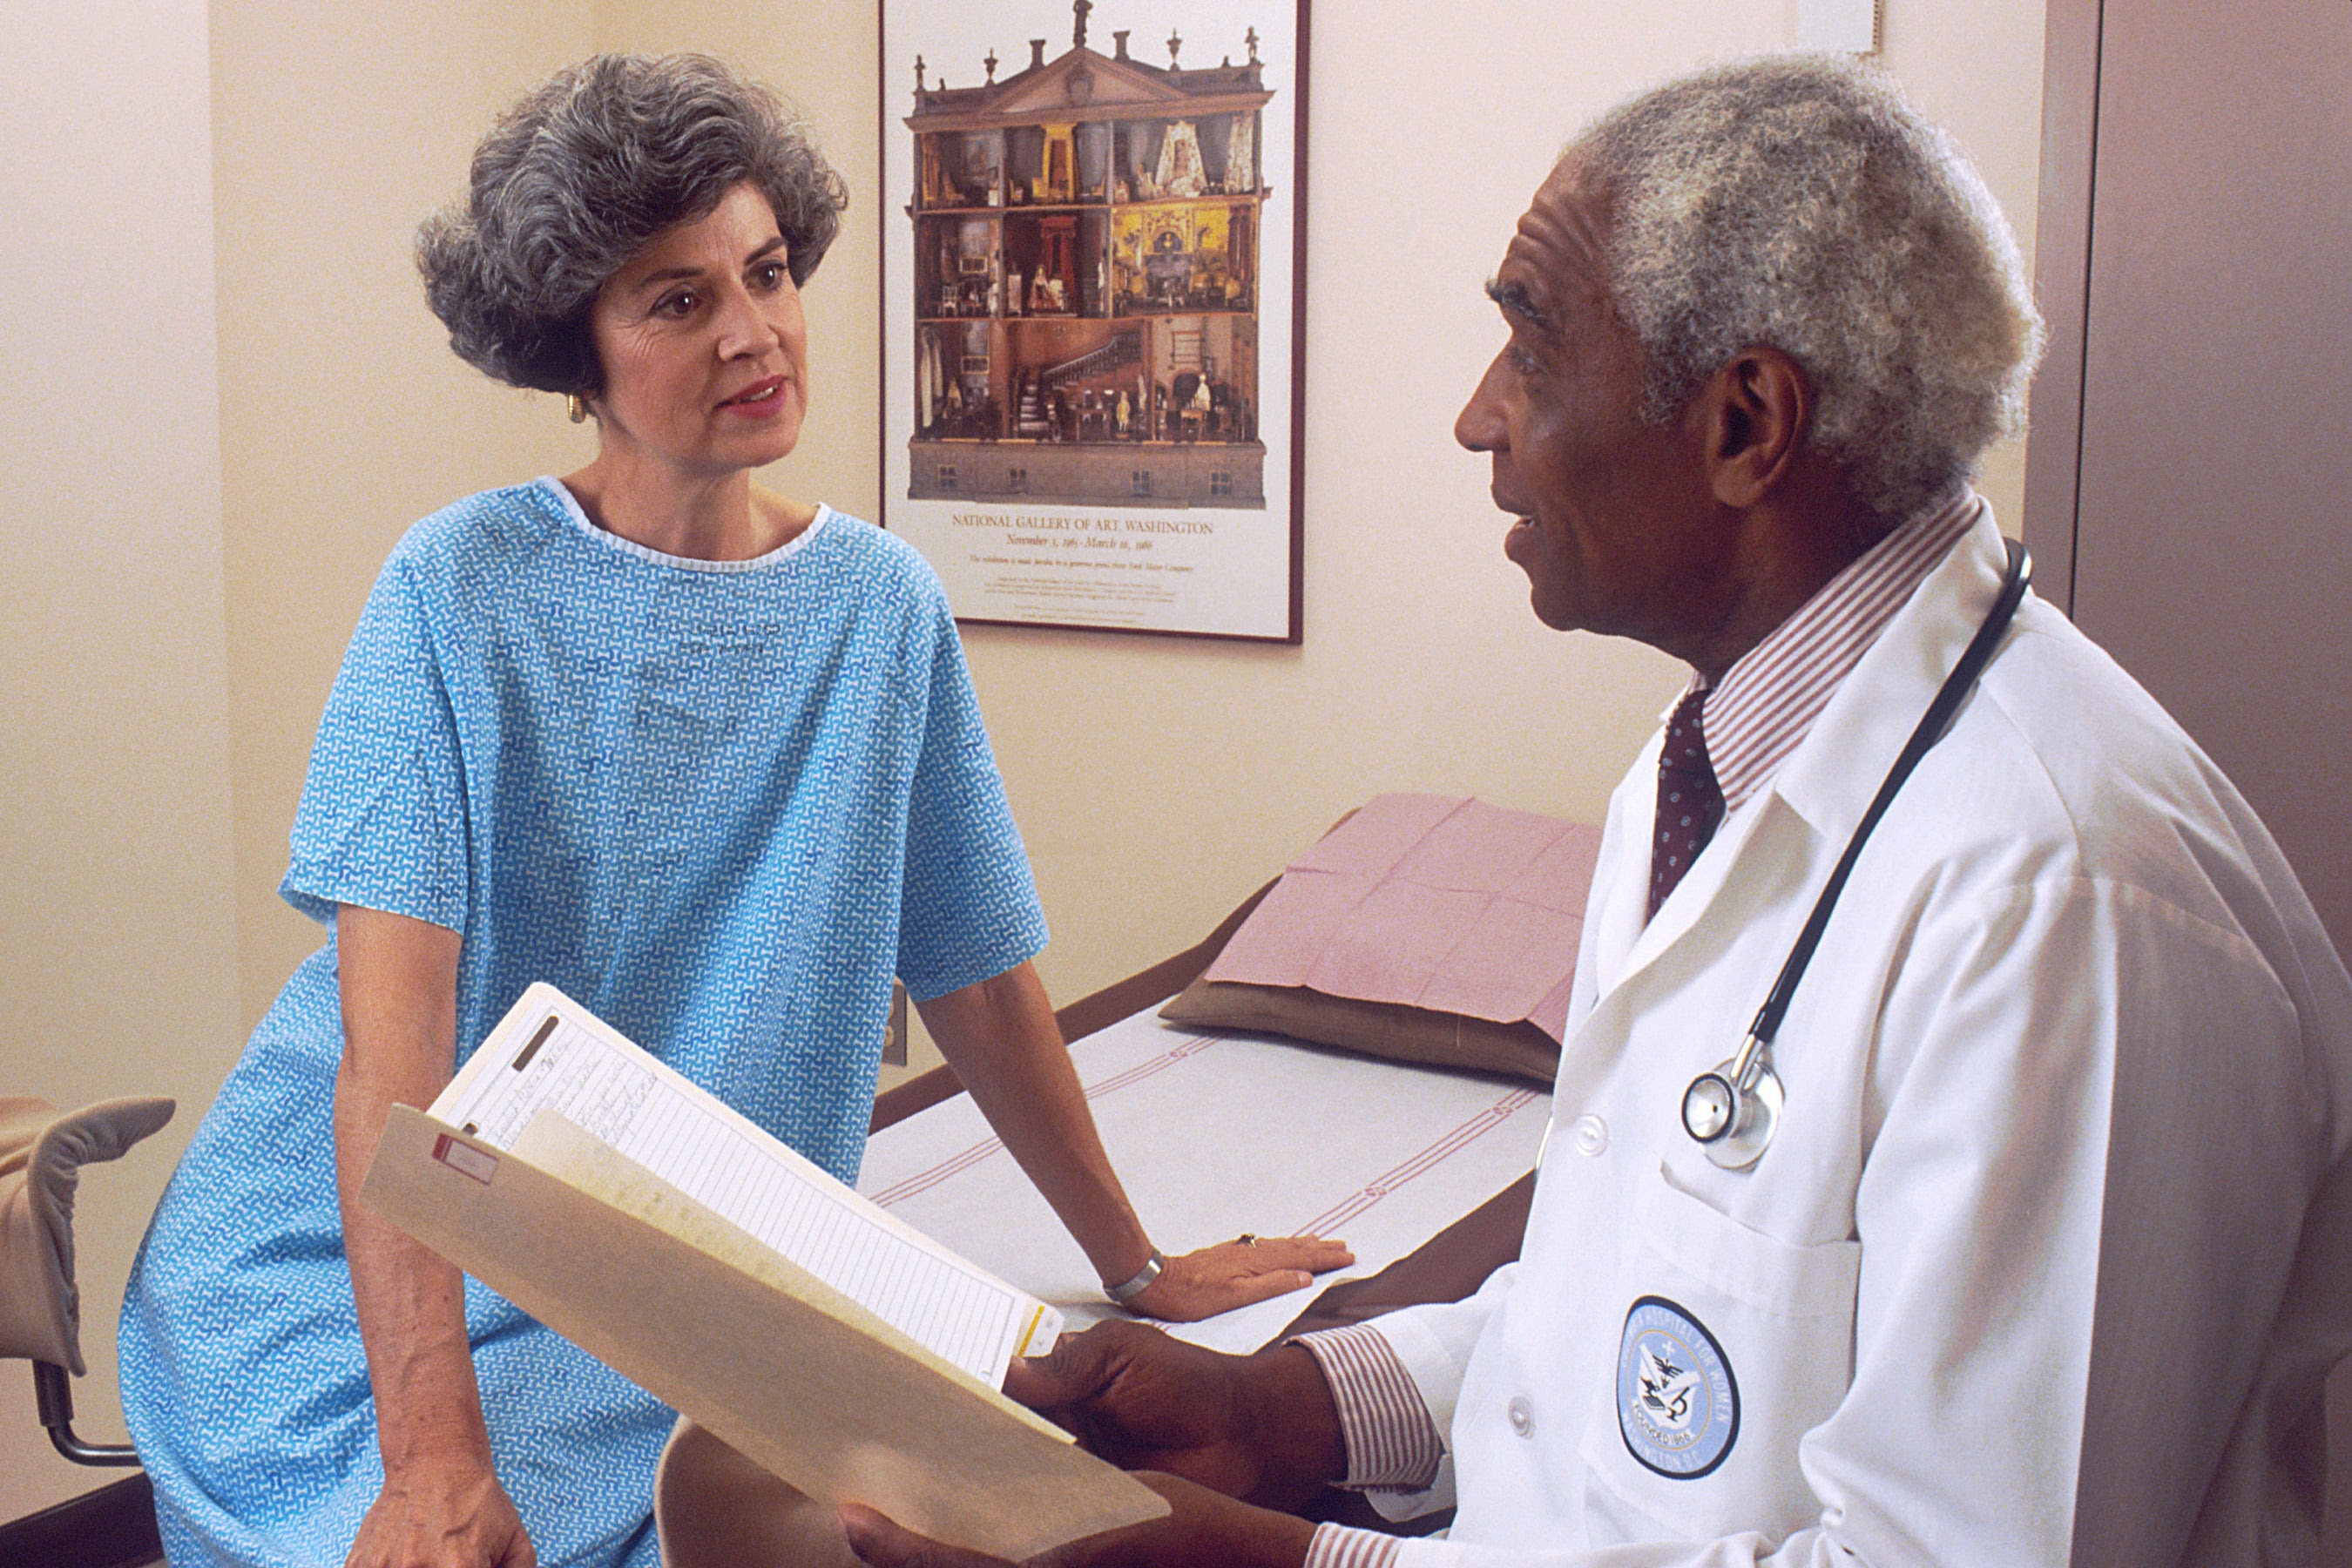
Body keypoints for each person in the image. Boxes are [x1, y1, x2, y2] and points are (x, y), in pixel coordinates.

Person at [838, 55, 2352, 1568]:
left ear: (1748, 423)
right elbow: (1612, 1331)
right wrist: (1289, 1414)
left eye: (1533, 350)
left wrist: (1266, 1560)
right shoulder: (1702, 771)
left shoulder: (2067, 907)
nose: (1475, 419)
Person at [118, 53, 1344, 1568]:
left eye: (765, 272)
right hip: (350, 1285)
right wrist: (430, 1455)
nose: (755, 333)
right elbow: (388, 1064)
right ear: (578, 350)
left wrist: (1134, 1263)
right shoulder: (455, 590)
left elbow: (974, 972)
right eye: (676, 299)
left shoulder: (881, 610)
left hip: (673, 1296)